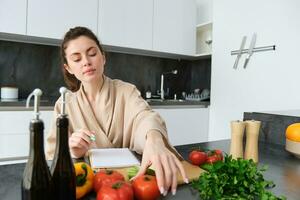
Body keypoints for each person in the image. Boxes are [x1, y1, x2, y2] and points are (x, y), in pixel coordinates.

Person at [46, 26, 188, 196]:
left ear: (103, 57)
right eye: (76, 59)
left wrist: (154, 137)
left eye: (92, 54)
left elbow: (144, 117)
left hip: (132, 183)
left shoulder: (126, 91)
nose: (86, 62)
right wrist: (71, 150)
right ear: (68, 68)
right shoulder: (64, 105)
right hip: (90, 186)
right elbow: (52, 156)